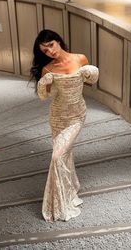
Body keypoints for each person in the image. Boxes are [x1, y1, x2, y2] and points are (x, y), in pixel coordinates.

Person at [30, 29, 99, 222]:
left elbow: (91, 82)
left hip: (77, 115)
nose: (50, 52)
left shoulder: (80, 58)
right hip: (58, 117)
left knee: (57, 156)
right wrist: (45, 82)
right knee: (64, 155)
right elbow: (44, 96)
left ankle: (59, 199)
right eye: (44, 51)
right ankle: (67, 191)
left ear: (58, 41)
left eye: (51, 45)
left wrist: (90, 72)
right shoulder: (48, 69)